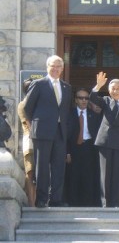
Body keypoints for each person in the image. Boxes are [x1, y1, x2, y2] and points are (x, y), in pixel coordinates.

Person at [24, 55, 72, 208]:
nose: (56, 69)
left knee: (59, 166)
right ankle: (42, 199)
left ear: (62, 69)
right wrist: (37, 124)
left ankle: (56, 199)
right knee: (42, 166)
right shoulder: (39, 84)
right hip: (43, 132)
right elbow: (27, 108)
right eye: (53, 66)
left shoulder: (67, 87)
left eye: (59, 66)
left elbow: (67, 111)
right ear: (47, 67)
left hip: (60, 132)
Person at [89, 71, 119, 207]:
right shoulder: (105, 101)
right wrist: (97, 86)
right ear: (109, 90)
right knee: (105, 174)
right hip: (105, 141)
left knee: (118, 174)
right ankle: (105, 202)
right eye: (112, 89)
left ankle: (116, 202)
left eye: (117, 89)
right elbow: (93, 98)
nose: (115, 91)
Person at [66, 88, 101, 207]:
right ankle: (73, 203)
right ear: (76, 100)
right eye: (81, 98)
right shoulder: (69, 114)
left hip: (89, 147)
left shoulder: (93, 114)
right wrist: (67, 152)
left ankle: (88, 203)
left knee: (88, 176)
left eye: (86, 98)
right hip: (74, 147)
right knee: (73, 176)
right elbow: (65, 135)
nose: (84, 100)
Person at [17, 78, 36, 207]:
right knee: (30, 171)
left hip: (40, 141)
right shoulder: (23, 104)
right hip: (30, 141)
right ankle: (31, 202)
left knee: (39, 172)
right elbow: (29, 125)